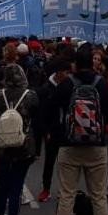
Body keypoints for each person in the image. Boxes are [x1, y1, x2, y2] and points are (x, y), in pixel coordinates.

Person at [45, 47, 108, 215]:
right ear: (94, 62)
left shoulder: (67, 84)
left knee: (66, 195)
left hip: (69, 146)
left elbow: (51, 108)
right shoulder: (102, 84)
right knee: (98, 196)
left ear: (74, 64)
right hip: (96, 147)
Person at [0, 65, 38, 215]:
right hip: (23, 146)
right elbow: (36, 119)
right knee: (16, 187)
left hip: (2, 145)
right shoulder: (30, 96)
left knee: (1, 185)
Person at [35, 58, 71, 203]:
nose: (67, 74)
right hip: (52, 129)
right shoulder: (46, 88)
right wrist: (45, 131)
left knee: (66, 162)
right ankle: (46, 188)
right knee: (49, 161)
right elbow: (41, 113)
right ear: (58, 73)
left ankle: (65, 190)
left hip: (67, 128)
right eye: (65, 72)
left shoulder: (68, 85)